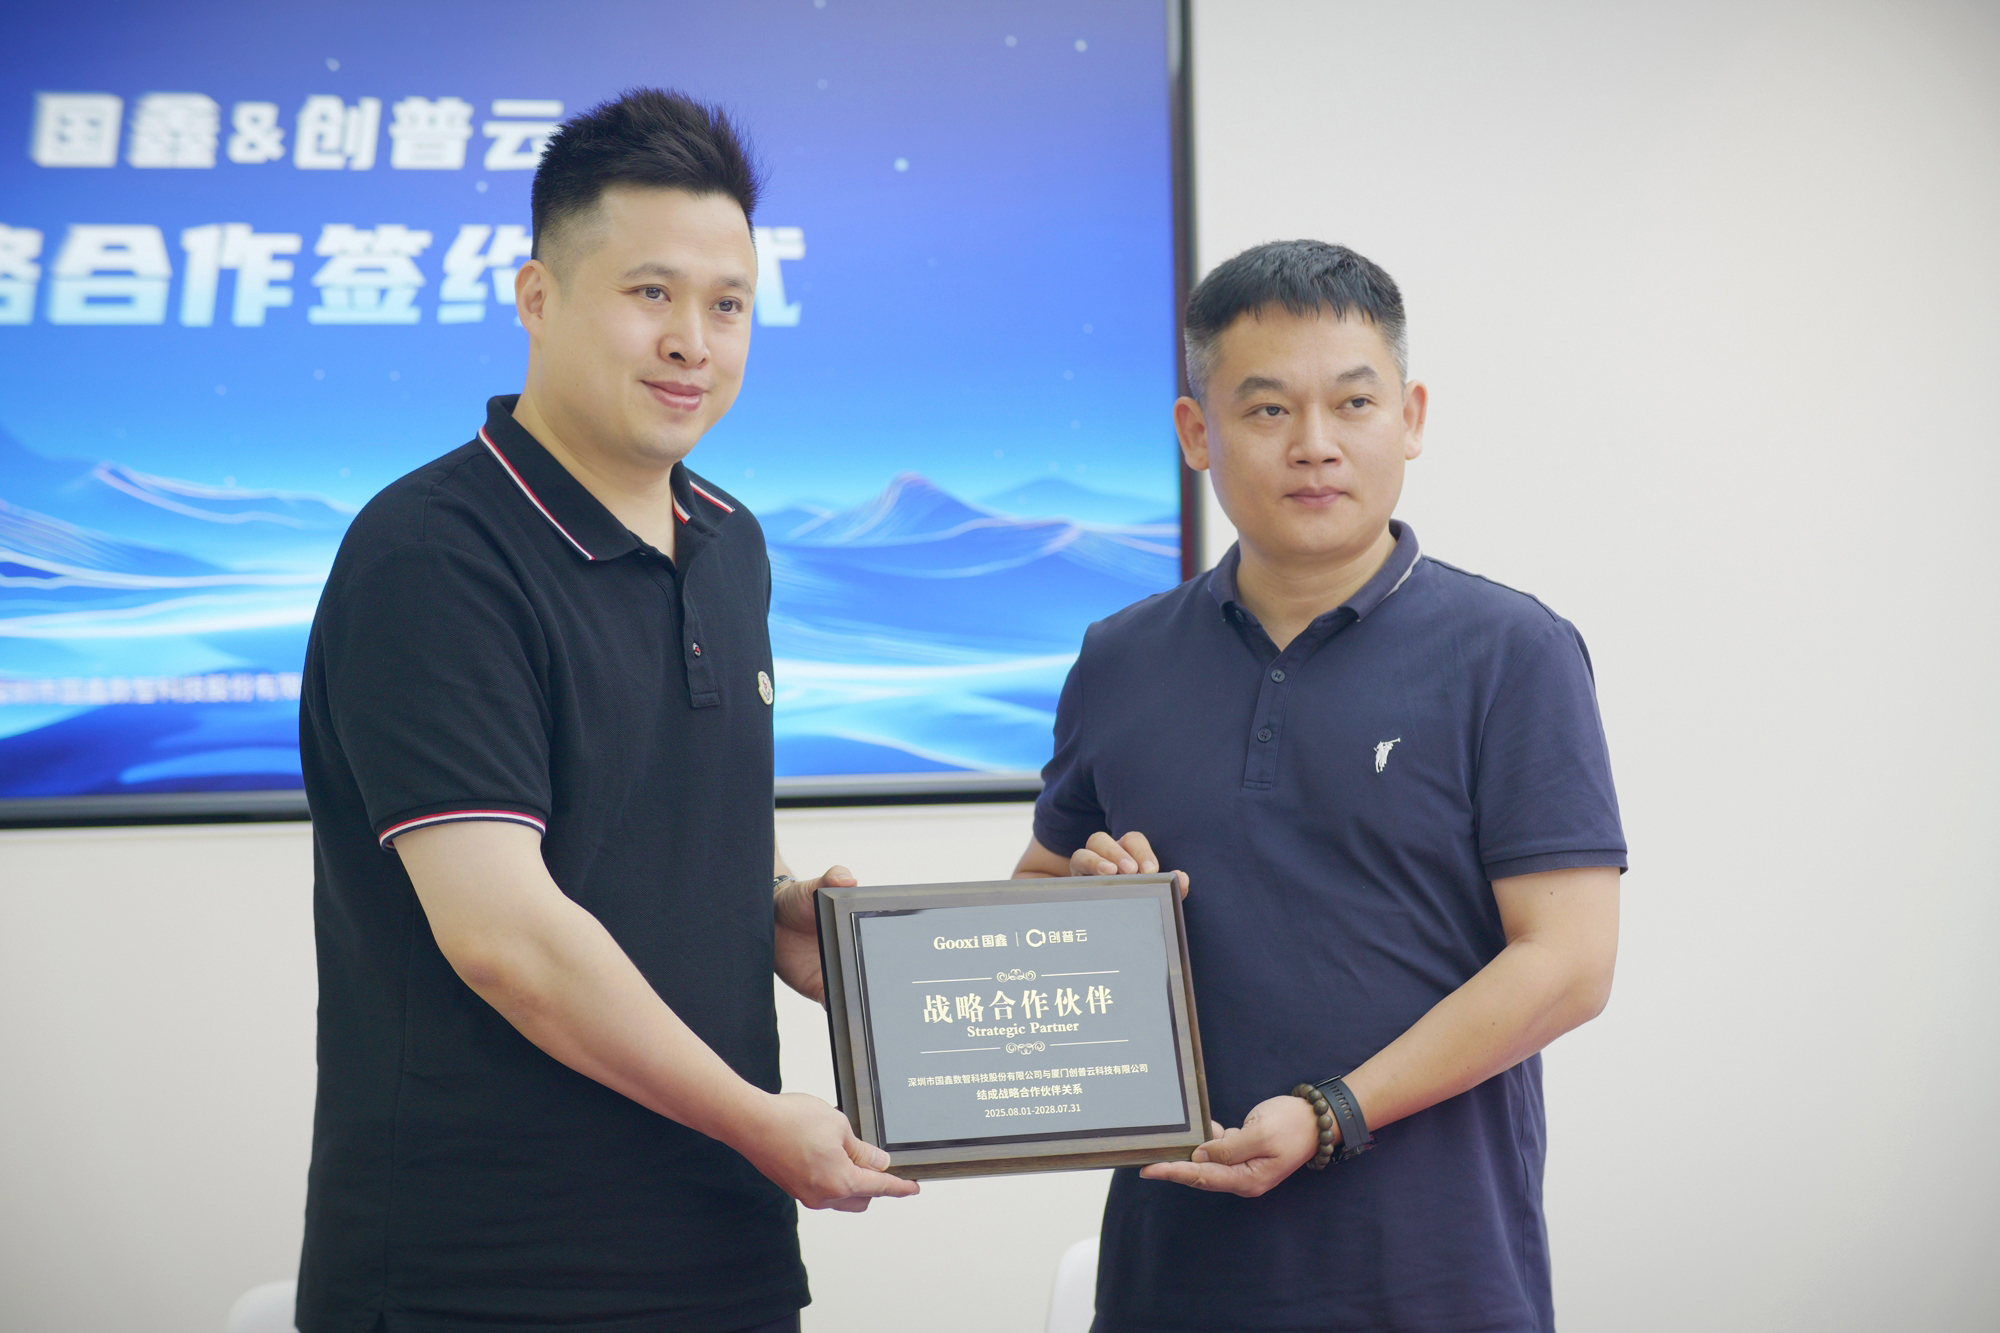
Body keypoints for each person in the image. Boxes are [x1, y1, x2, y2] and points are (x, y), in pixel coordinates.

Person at [296, 89, 915, 1333]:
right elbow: (505, 936)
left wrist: (775, 906)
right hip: (486, 1277)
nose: (692, 340)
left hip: (722, 1251)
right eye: (649, 293)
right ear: (537, 297)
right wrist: (757, 1120)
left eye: (727, 304)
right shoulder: (435, 553)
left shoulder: (729, 542)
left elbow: (646, 816)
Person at [1014, 240, 1625, 1332]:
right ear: (1196, 433)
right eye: (1265, 410)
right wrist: (1090, 914)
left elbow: (1569, 964)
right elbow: (1031, 908)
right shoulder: (1118, 657)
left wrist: (1331, 1111)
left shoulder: (1511, 651)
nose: (1314, 444)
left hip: (1434, 1278)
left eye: (1353, 402)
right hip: (1174, 1276)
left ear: (1411, 417)